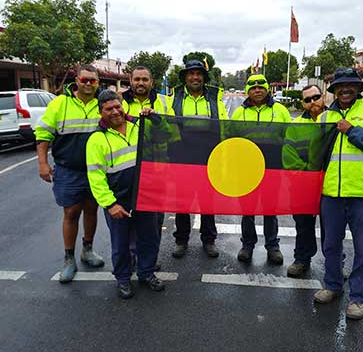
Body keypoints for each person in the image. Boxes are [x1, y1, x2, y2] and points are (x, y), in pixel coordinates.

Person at [313, 68, 363, 320]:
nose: (345, 89)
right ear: (334, 90)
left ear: (359, 88)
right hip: (331, 194)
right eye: (340, 86)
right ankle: (332, 286)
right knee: (330, 245)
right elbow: (313, 151)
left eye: (350, 85)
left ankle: (358, 298)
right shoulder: (325, 116)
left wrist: (351, 130)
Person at [86, 90, 165, 299]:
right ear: (100, 111)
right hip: (118, 201)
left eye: (117, 106)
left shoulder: (140, 125)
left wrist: (155, 119)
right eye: (109, 109)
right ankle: (123, 278)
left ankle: (146, 273)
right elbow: (96, 177)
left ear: (123, 105)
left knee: (149, 238)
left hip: (145, 196)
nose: (115, 112)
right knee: (120, 244)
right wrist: (110, 204)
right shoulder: (96, 139)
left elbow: (166, 136)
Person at [35, 64, 105, 283]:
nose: (88, 84)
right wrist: (43, 163)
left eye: (92, 81)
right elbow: (43, 133)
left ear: (97, 82)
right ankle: (69, 259)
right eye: (84, 80)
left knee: (92, 210)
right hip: (68, 170)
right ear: (76, 79)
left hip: (95, 170)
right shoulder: (60, 103)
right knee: (71, 213)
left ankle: (88, 250)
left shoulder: (102, 104)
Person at [171, 59, 229, 259]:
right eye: (191, 74)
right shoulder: (174, 99)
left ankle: (209, 240)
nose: (195, 77)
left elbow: (224, 128)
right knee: (182, 203)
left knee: (207, 202)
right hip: (182, 159)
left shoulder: (214, 100)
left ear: (204, 78)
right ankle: (181, 240)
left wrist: (223, 158)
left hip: (208, 160)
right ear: (185, 77)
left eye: (199, 74)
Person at [231, 74, 292, 265]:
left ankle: (272, 246)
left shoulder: (281, 111)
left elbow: (290, 138)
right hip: (247, 170)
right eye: (253, 87)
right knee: (247, 210)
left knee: (270, 210)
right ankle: (247, 245)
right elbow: (230, 141)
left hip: (272, 170)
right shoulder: (238, 113)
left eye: (261, 87)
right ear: (248, 90)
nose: (257, 90)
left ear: (267, 89)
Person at [120, 65, 175, 269]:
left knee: (154, 220)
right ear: (130, 80)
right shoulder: (120, 101)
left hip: (157, 170)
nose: (140, 83)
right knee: (129, 217)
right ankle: (131, 257)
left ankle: (149, 260)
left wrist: (156, 119)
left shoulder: (164, 102)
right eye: (137, 79)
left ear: (152, 81)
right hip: (127, 170)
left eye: (145, 79)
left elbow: (173, 133)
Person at [286, 84, 326, 277]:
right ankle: (302, 259)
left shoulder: (335, 122)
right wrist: (309, 173)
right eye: (307, 100)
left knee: (332, 228)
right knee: (303, 226)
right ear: (303, 103)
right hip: (302, 185)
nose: (312, 103)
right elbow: (288, 154)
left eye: (315, 97)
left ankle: (335, 263)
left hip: (331, 185)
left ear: (323, 97)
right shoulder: (295, 126)